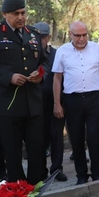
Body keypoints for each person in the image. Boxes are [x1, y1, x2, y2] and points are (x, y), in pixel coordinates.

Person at [0, 0, 48, 185]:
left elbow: (44, 61)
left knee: (37, 148)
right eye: (16, 14)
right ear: (5, 13)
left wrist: (40, 74)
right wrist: (8, 77)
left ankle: (36, 184)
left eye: (23, 13)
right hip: (7, 104)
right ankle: (17, 188)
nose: (21, 17)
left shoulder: (33, 34)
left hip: (32, 102)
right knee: (12, 151)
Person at [53, 21, 99, 185]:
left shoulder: (97, 49)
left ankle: (96, 171)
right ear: (70, 34)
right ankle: (81, 175)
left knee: (95, 137)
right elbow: (57, 79)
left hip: (94, 98)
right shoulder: (62, 52)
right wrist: (57, 103)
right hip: (72, 100)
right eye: (78, 35)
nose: (81, 38)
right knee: (76, 137)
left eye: (84, 34)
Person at [33, 22, 67, 182]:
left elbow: (61, 78)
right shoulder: (30, 54)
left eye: (43, 37)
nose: (40, 40)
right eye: (37, 37)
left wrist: (59, 103)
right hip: (36, 105)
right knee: (39, 139)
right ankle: (40, 171)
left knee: (57, 138)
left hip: (55, 103)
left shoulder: (57, 54)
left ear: (48, 37)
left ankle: (56, 169)